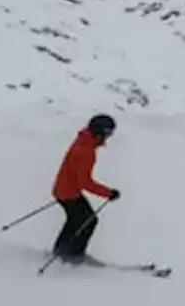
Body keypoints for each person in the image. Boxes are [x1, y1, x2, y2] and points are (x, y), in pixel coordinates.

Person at [50, 113, 121, 264]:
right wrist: (108, 193)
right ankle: (74, 255)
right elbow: (86, 182)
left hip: (64, 190)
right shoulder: (85, 150)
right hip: (69, 193)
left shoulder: (85, 142)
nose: (108, 137)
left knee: (76, 220)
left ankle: (61, 251)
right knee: (88, 221)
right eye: (107, 133)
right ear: (98, 132)